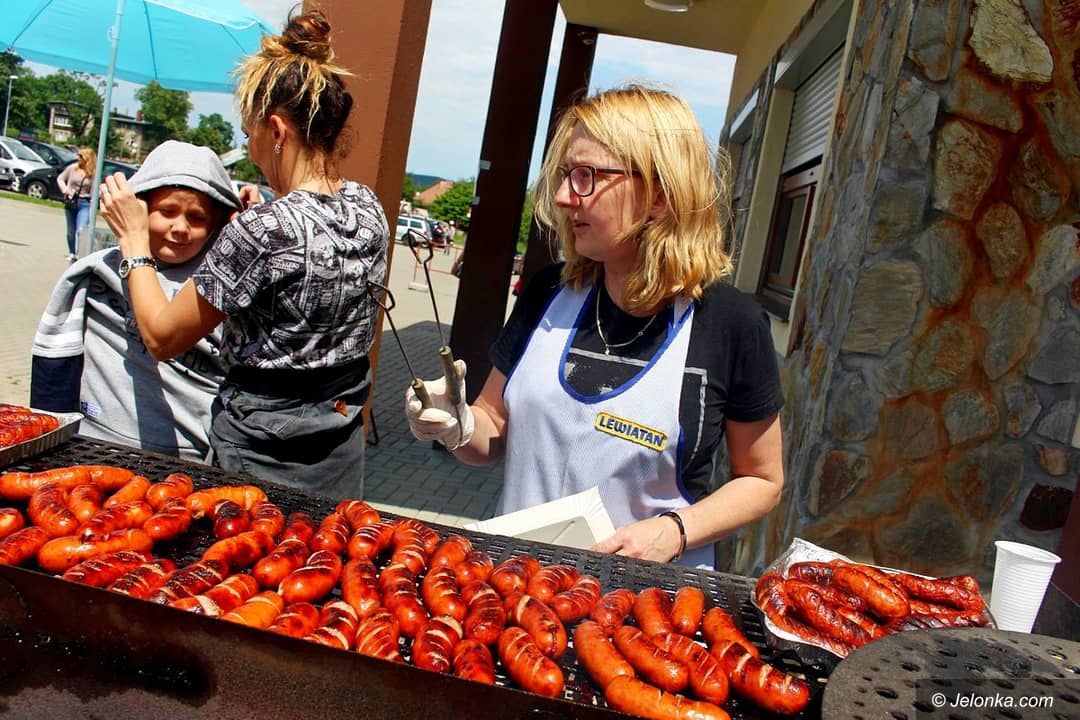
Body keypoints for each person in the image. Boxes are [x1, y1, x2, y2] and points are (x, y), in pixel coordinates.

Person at [405, 85, 785, 569]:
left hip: (644, 599)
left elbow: (762, 480)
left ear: (660, 195)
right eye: (565, 175)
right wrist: (458, 426)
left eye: (586, 176)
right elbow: (493, 427)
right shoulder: (547, 293)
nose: (563, 197)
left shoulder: (730, 324)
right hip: (515, 586)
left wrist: (675, 531)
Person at [99, 9, 389, 498]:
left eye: (249, 132)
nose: (249, 147)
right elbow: (306, 251)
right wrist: (261, 221)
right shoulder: (368, 207)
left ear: (276, 131)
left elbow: (162, 337)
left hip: (264, 450)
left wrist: (133, 240)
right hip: (339, 437)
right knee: (328, 542)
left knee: (252, 545)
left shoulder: (264, 231)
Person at [31, 141, 239, 461]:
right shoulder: (97, 273)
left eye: (197, 218)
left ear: (215, 224)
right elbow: (57, 358)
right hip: (91, 443)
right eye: (167, 212)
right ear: (138, 207)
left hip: (186, 457)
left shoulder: (216, 289)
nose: (180, 228)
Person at [57, 147, 96, 262]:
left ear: (87, 158)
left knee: (81, 229)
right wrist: (65, 189)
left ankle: (79, 254)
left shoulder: (92, 173)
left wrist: (94, 200)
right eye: (78, 155)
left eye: (80, 156)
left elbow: (95, 189)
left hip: (85, 203)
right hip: (71, 201)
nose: (78, 158)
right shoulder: (72, 168)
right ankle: (72, 253)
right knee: (71, 230)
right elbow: (60, 178)